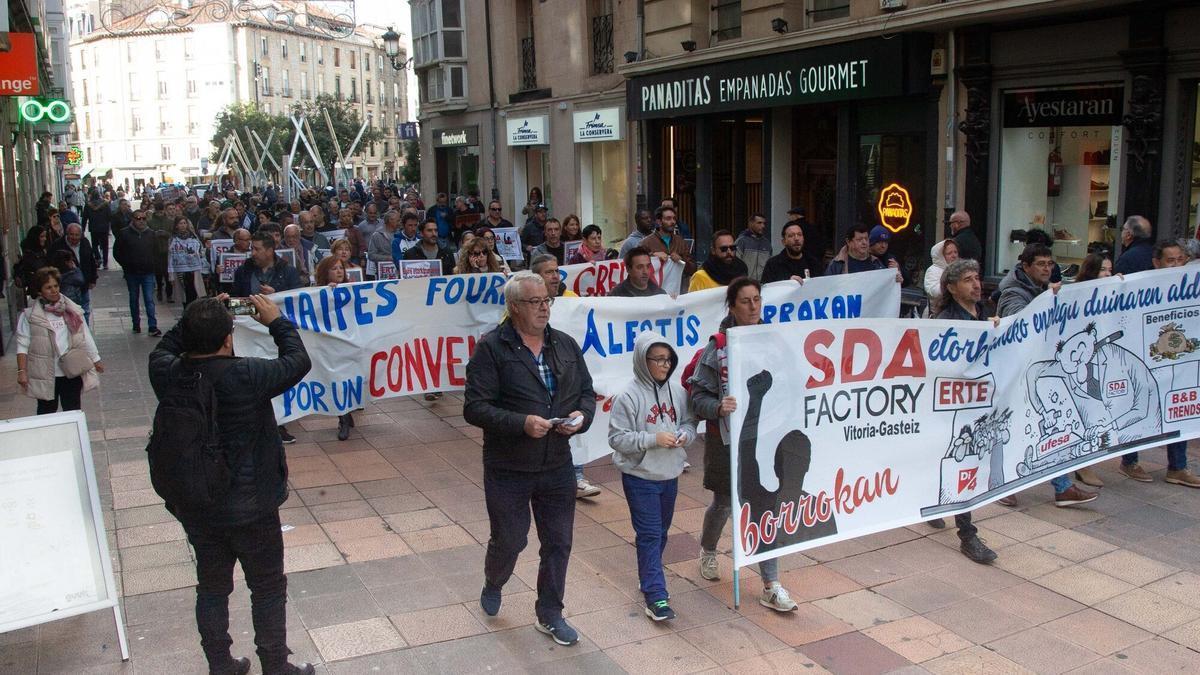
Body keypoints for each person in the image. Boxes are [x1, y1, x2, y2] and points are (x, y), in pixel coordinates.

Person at [148, 296, 314, 675]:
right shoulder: (247, 374)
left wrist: (198, 312)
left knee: (211, 587)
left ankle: (220, 664)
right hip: (252, 506)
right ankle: (276, 665)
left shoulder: (168, 372)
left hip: (196, 504)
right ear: (228, 338)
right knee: (268, 588)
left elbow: (166, 347)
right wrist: (277, 321)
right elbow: (297, 361)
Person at [463, 272, 595, 646]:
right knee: (510, 538)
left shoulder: (564, 345)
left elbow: (586, 393)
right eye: (535, 302)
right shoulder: (492, 348)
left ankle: (550, 612)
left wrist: (581, 418)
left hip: (556, 463)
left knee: (558, 541)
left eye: (547, 300)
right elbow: (475, 408)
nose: (543, 307)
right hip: (509, 466)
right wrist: (522, 423)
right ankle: (495, 578)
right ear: (514, 307)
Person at [689, 277, 797, 611]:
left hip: (766, 437)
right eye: (745, 301)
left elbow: (791, 380)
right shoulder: (718, 346)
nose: (753, 307)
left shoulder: (774, 340)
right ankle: (708, 550)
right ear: (732, 306)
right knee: (724, 502)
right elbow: (697, 395)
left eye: (757, 300)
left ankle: (771, 583)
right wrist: (718, 407)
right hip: (727, 439)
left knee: (766, 505)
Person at [996, 243, 1098, 507]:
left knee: (1051, 427)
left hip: (1039, 369)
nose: (1047, 268)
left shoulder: (1043, 288)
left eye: (1050, 264)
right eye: (1041, 264)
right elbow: (1016, 323)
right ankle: (1002, 484)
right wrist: (1046, 303)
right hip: (1018, 372)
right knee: (1015, 428)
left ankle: (1061, 486)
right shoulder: (1013, 292)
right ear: (1026, 266)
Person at [609, 331, 697, 621]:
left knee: (660, 532)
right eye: (658, 359)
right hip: (640, 475)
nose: (665, 365)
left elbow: (689, 423)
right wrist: (651, 439)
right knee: (648, 533)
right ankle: (655, 595)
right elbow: (617, 439)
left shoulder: (679, 392)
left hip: (669, 473)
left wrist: (685, 434)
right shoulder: (628, 396)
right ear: (642, 361)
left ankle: (649, 575)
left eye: (668, 359)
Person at [924, 259, 999, 564]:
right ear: (952, 288)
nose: (976, 284)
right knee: (960, 462)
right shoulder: (946, 320)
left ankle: (933, 501)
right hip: (953, 406)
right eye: (968, 279)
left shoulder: (984, 313)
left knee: (945, 459)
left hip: (977, 403)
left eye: (977, 277)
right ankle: (967, 535)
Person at [1118, 241, 1200, 488]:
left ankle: (1177, 467)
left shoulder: (1192, 286)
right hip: (1147, 359)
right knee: (1140, 407)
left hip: (1180, 362)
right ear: (1156, 262)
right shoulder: (1141, 286)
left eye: (1180, 259)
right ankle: (1129, 460)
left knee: (1180, 408)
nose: (1176, 265)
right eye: (1170, 260)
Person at [16, 267, 104, 414]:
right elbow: (22, 345)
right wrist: (22, 371)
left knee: (73, 410)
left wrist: (96, 359)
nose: (54, 290)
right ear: (40, 291)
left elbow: (85, 335)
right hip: (45, 373)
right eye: (48, 287)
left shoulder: (72, 310)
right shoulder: (29, 316)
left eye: (56, 286)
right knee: (46, 412)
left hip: (70, 371)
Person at [314, 256, 357, 441]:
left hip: (350, 342)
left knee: (350, 379)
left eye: (341, 268)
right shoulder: (316, 293)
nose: (339, 271)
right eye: (334, 269)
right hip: (330, 345)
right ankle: (343, 418)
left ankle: (348, 410)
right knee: (337, 380)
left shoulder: (353, 290)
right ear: (325, 273)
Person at [114, 209, 163, 336]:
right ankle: (136, 323)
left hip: (148, 272)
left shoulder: (151, 234)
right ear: (133, 220)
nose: (141, 221)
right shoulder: (124, 234)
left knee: (149, 299)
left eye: (143, 218)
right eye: (138, 218)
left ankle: (152, 326)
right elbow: (117, 252)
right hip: (132, 272)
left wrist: (153, 265)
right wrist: (126, 264)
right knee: (133, 298)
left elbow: (157, 252)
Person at [52, 223, 99, 323]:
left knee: (85, 310)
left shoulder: (85, 242)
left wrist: (93, 279)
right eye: (71, 234)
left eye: (77, 235)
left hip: (84, 283)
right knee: (70, 311)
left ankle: (85, 332)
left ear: (81, 235)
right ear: (67, 234)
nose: (74, 237)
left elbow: (91, 260)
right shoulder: (58, 245)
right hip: (67, 285)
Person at [640, 205, 696, 277]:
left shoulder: (680, 242)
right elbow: (637, 267)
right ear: (659, 222)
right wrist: (652, 255)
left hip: (676, 286)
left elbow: (693, 270)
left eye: (674, 218)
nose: (673, 222)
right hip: (655, 286)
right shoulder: (646, 243)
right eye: (668, 219)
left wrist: (681, 260)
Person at [168, 217, 208, 307]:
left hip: (193, 269)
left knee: (193, 291)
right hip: (180, 268)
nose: (183, 225)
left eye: (184, 223)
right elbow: (170, 255)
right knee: (183, 293)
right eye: (180, 223)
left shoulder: (193, 237)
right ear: (176, 226)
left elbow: (200, 249)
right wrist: (170, 272)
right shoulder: (173, 239)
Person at [14, 226, 51, 296]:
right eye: (42, 236)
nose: (45, 239)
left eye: (45, 236)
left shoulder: (43, 250)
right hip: (37, 291)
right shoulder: (30, 255)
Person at [734, 213, 771, 280]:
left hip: (763, 285)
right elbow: (735, 265)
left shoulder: (767, 244)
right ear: (751, 223)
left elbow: (769, 266)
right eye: (759, 223)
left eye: (764, 223)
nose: (763, 226)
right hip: (746, 284)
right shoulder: (741, 241)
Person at [923, 239, 959, 304]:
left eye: (955, 252)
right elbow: (933, 292)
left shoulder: (961, 269)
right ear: (941, 256)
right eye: (949, 253)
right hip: (939, 312)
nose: (954, 256)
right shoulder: (932, 270)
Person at [368, 211, 401, 275]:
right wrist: (387, 258)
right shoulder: (377, 235)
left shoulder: (400, 234)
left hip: (399, 271)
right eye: (398, 220)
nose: (400, 222)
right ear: (390, 220)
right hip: (383, 272)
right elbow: (371, 255)